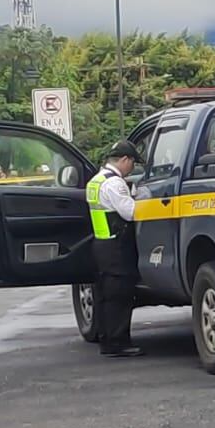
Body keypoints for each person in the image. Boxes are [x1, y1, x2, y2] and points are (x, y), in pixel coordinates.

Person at [87, 140, 148, 358]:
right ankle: (118, 342)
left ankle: (107, 339)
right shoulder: (115, 184)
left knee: (105, 295)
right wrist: (143, 199)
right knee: (120, 296)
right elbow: (130, 213)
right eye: (132, 163)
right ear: (124, 159)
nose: (132, 168)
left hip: (101, 244)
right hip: (116, 247)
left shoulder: (96, 181)